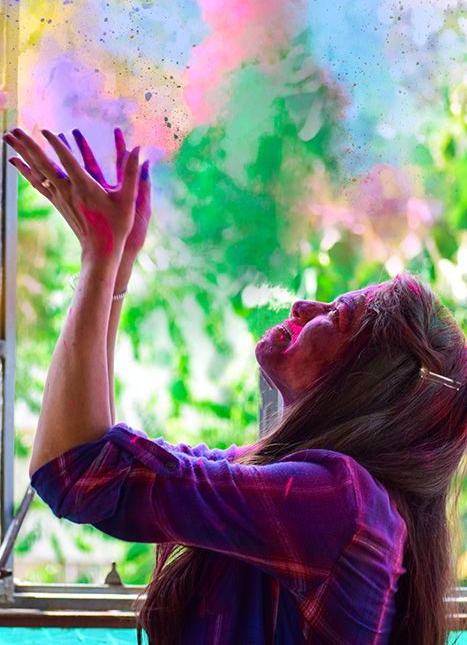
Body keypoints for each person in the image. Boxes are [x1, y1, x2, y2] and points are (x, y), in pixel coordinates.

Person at [3, 126, 466, 645]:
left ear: (366, 383)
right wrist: (117, 263)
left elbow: (75, 471)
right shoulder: (301, 484)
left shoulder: (338, 501)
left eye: (337, 314)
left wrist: (100, 257)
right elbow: (101, 464)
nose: (304, 307)